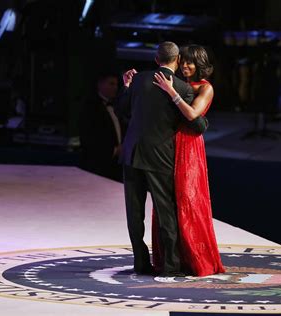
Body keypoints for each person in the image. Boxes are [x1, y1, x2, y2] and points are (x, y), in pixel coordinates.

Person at [117, 42, 209, 277]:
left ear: (156, 59)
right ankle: (170, 266)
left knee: (134, 213)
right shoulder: (182, 88)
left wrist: (127, 87)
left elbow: (123, 111)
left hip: (132, 154)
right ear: (177, 60)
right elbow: (195, 124)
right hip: (161, 157)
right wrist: (203, 122)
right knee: (166, 212)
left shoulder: (137, 80)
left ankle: (141, 263)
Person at [152, 44, 225, 276]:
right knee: (166, 200)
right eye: (182, 61)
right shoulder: (178, 83)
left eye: (190, 62)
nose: (185, 65)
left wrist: (171, 91)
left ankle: (196, 260)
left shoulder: (205, 88)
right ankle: (171, 259)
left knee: (189, 199)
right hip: (169, 143)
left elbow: (193, 115)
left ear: (200, 64)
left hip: (189, 147)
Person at [79, 70, 123, 181]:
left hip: (116, 166)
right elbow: (89, 137)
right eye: (111, 84)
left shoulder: (117, 106)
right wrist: (114, 150)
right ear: (100, 84)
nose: (115, 88)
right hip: (97, 166)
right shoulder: (90, 107)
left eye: (116, 84)